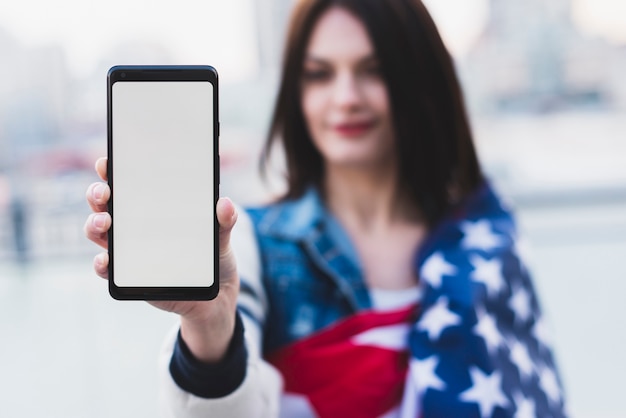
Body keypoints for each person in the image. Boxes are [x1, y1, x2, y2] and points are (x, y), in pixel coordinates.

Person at [85, 0, 567, 416]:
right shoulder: (254, 245)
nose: (345, 98)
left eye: (373, 69)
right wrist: (209, 329)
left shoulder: (486, 236)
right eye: (319, 74)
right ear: (295, 93)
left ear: (419, 79)